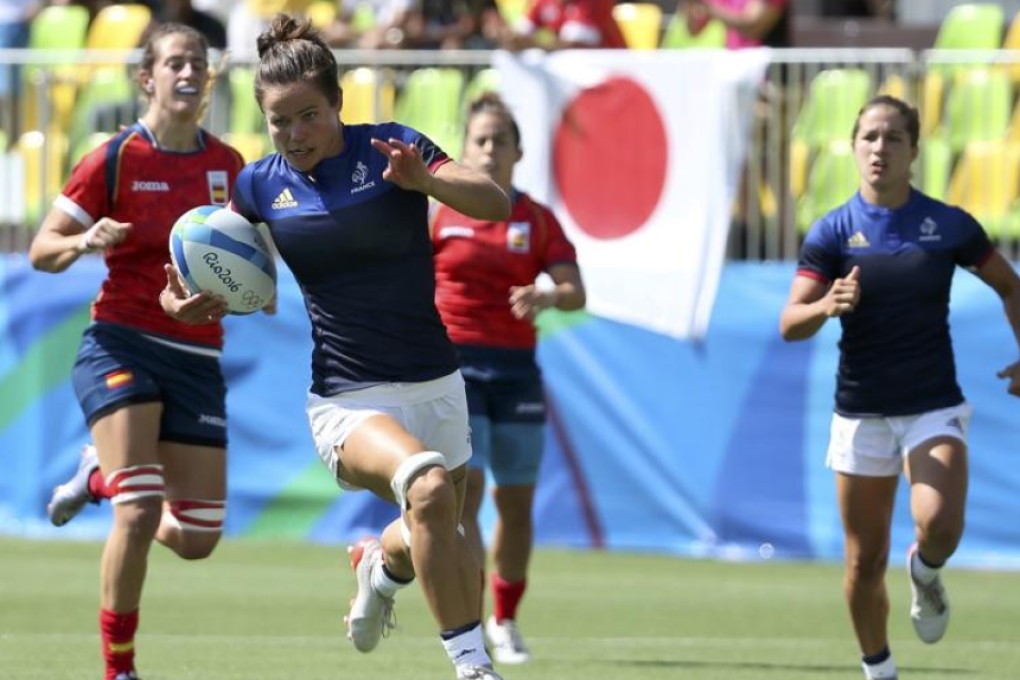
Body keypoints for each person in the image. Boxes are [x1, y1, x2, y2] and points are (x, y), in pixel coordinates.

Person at [221, 13, 512, 680]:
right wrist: (187, 297)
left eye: (308, 116)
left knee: (438, 528)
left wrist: (428, 181)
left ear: (338, 104)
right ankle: (473, 667)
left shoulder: (393, 149)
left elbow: (494, 203)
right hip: (349, 399)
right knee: (430, 489)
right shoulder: (259, 185)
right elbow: (226, 269)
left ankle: (378, 570)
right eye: (278, 121)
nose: (294, 134)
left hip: (437, 381)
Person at [28, 22, 246, 680]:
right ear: (146, 79)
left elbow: (248, 259)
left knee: (200, 539)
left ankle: (98, 474)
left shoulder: (229, 166)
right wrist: (85, 240)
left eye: (198, 64)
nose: (189, 73)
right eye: (175, 62)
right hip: (120, 341)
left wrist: (253, 290)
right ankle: (118, 669)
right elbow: (41, 252)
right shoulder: (114, 158)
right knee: (141, 506)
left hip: (198, 357)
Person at [779, 95, 1020, 680]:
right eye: (869, 137)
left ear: (915, 151)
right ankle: (879, 669)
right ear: (853, 147)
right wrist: (827, 304)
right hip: (860, 411)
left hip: (931, 404)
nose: (879, 148)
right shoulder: (832, 230)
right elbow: (789, 322)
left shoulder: (949, 225)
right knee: (863, 562)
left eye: (892, 138)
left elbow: (1010, 286)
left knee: (939, 525)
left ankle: (927, 571)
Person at [430, 93, 585, 664]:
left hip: (517, 373)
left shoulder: (536, 219)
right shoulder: (438, 211)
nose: (491, 149)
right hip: (455, 372)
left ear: (519, 152)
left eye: (501, 140)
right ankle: (468, 629)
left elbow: (575, 291)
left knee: (516, 504)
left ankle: (506, 619)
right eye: (481, 140)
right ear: (465, 149)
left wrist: (547, 292)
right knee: (462, 503)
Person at [490, 0, 626, 51]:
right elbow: (521, 31)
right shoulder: (544, 2)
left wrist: (530, 45)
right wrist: (504, 34)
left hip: (613, 77)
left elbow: (572, 46)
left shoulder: (595, 2)